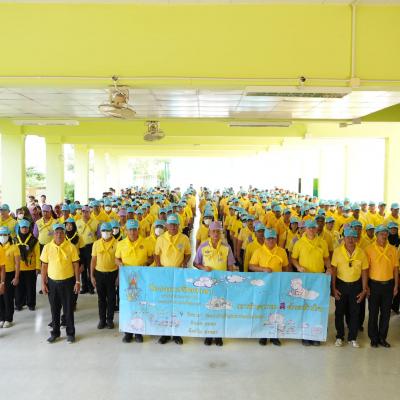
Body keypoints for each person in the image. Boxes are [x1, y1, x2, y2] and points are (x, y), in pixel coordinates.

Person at [194, 221, 235, 346]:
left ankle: (218, 335)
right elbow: (195, 263)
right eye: (213, 231)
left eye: (218, 231)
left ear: (221, 233)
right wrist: (203, 267)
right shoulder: (203, 246)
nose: (216, 234)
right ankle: (208, 334)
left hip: (221, 284)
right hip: (207, 284)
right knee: (208, 308)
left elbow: (230, 267)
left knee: (220, 309)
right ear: (209, 233)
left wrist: (229, 282)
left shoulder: (226, 248)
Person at [291, 219, 331, 346]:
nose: (312, 230)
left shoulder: (322, 242)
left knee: (317, 306)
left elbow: (326, 258)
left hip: (319, 279)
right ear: (305, 229)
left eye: (314, 227)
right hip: (305, 279)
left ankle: (316, 335)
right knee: (305, 307)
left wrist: (329, 268)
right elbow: (293, 258)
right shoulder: (299, 243)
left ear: (317, 229)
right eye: (309, 228)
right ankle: (305, 335)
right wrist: (298, 267)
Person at [40, 223, 81, 344]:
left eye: (61, 232)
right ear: (53, 234)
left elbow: (76, 265)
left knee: (68, 309)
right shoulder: (47, 247)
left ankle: (70, 333)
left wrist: (77, 281)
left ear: (64, 234)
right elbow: (44, 266)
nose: (59, 235)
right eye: (57, 232)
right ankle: (55, 333)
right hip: (52, 283)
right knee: (54, 309)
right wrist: (43, 283)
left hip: (68, 282)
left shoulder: (71, 247)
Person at [154, 213, 191, 345]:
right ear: (167, 225)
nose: (173, 227)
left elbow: (188, 253)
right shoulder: (161, 239)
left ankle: (176, 333)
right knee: (164, 303)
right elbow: (156, 254)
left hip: (178, 275)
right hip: (165, 275)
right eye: (171, 225)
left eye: (175, 225)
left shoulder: (184, 238)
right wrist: (159, 265)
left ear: (178, 225)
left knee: (177, 303)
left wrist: (184, 262)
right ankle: (164, 333)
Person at [115, 219, 153, 343]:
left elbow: (151, 258)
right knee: (127, 304)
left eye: (134, 229)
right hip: (126, 280)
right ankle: (128, 332)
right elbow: (116, 259)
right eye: (130, 229)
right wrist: (120, 264)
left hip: (141, 279)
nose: (132, 232)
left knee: (140, 304)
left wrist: (145, 263)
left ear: (138, 230)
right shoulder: (121, 244)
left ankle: (138, 332)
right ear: (126, 231)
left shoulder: (146, 242)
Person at [249, 228, 289, 346]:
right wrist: (263, 269)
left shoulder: (282, 251)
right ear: (264, 239)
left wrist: (285, 282)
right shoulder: (258, 251)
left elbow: (286, 267)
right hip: (263, 287)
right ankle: (263, 334)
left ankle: (274, 335)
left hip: (277, 286)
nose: (271, 240)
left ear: (276, 239)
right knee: (264, 309)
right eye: (268, 238)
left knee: (276, 309)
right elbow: (251, 266)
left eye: (273, 238)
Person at [331, 228, 368, 348]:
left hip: (356, 286)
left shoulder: (361, 252)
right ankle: (339, 336)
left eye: (353, 237)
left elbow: (364, 271)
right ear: (344, 238)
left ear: (356, 239)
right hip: (341, 285)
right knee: (339, 312)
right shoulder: (337, 251)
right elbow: (334, 271)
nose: (350, 240)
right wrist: (333, 288)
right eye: (348, 237)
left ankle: (352, 337)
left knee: (355, 313)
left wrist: (364, 289)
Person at [365, 225, 399, 348]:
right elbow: (366, 269)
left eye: (386, 233)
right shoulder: (369, 249)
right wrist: (366, 286)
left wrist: (396, 285)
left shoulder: (393, 249)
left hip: (388, 285)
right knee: (373, 313)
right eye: (381, 234)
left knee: (386, 313)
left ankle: (382, 338)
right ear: (376, 235)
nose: (384, 236)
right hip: (374, 285)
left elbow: (395, 269)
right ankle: (373, 338)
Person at [91, 223, 118, 330]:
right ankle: (102, 320)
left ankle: (110, 319)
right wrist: (92, 275)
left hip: (112, 274)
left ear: (111, 232)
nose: (105, 233)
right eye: (103, 231)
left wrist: (118, 277)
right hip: (99, 274)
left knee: (111, 298)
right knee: (101, 298)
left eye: (107, 231)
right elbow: (93, 260)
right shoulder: (96, 244)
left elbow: (119, 261)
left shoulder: (117, 243)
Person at [14, 219, 40, 311]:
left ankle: (31, 304)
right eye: (22, 227)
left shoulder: (34, 240)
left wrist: (37, 267)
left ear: (29, 228)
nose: (24, 229)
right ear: (19, 228)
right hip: (18, 268)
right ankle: (19, 304)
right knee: (18, 288)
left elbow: (38, 255)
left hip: (31, 268)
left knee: (31, 287)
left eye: (26, 227)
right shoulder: (15, 240)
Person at [76, 205, 99, 294]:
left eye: (87, 212)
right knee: (82, 267)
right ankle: (84, 286)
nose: (85, 214)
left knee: (90, 267)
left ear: (90, 213)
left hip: (91, 247)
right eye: (83, 212)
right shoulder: (77, 223)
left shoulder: (95, 223)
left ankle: (91, 287)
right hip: (81, 248)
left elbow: (99, 236)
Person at [0, 227, 20, 328]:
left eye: (4, 235)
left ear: (9, 235)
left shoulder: (14, 247)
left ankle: (8, 318)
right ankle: (1, 318)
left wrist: (16, 277)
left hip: (9, 274)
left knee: (8, 298)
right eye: (0, 235)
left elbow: (17, 264)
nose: (2, 237)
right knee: (0, 298)